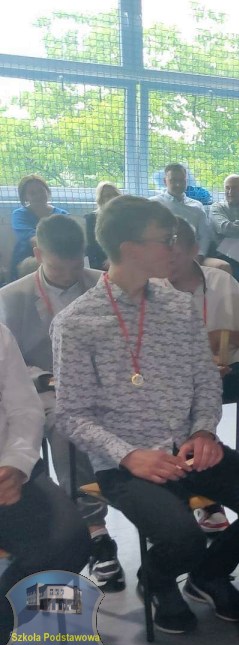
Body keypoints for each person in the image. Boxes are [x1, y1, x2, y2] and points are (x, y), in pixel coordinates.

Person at [52, 195, 239, 634]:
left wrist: (204, 431)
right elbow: (70, 414)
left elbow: (205, 380)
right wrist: (128, 455)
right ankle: (158, 579)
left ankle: (208, 575)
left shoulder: (178, 305)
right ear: (130, 249)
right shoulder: (77, 322)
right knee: (182, 537)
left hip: (190, 448)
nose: (174, 248)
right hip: (127, 462)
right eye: (165, 240)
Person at [0, 215, 124, 592]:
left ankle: (161, 518)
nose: (70, 276)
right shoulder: (12, 297)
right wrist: (49, 378)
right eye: (59, 268)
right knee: (67, 425)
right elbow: (17, 368)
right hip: (45, 387)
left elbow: (121, 342)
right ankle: (95, 527)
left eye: (76, 265)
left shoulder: (104, 285)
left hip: (102, 386)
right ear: (38, 254)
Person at [0, 322, 91, 645]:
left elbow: (25, 409)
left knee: (69, 544)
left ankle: (6, 616)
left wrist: (15, 465)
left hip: (10, 472)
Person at [166, 217, 239, 532]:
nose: (167, 264)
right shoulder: (150, 288)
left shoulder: (221, 282)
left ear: (194, 249)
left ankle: (209, 488)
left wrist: (226, 338)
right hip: (173, 383)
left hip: (226, 372)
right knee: (184, 399)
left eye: (175, 256)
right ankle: (194, 497)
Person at [8, 175, 69, 281]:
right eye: (32, 193)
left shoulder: (63, 214)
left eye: (41, 191)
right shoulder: (19, 215)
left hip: (59, 256)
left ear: (47, 191)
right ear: (25, 197)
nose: (38, 195)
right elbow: (33, 240)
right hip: (27, 260)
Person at [150, 163, 215, 260]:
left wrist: (200, 255)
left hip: (191, 256)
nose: (178, 184)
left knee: (222, 266)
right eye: (173, 180)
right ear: (165, 181)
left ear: (186, 181)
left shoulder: (197, 206)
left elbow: (205, 235)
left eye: (182, 180)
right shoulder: (154, 204)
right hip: (163, 255)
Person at [84, 181, 121, 270]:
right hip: (99, 262)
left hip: (121, 260)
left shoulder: (124, 217)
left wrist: (114, 258)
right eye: (107, 196)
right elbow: (92, 246)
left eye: (114, 194)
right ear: (100, 199)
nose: (112, 198)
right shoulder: (91, 218)